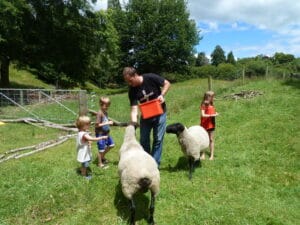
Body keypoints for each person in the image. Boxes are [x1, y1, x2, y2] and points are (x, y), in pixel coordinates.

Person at [123, 67, 171, 166]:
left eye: (130, 81)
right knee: (144, 140)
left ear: (135, 75)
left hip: (160, 113)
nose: (130, 84)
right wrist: (134, 124)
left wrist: (162, 95)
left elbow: (167, 83)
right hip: (146, 116)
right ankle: (146, 162)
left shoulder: (150, 77)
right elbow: (134, 109)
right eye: (128, 82)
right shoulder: (132, 90)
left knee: (157, 139)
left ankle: (154, 164)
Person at [95, 96, 115, 168]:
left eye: (108, 105)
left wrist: (109, 124)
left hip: (106, 133)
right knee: (101, 149)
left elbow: (105, 121)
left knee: (111, 145)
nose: (107, 107)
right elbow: (97, 125)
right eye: (105, 105)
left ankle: (102, 157)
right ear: (101, 104)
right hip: (100, 134)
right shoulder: (99, 113)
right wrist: (107, 123)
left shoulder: (105, 112)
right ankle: (100, 163)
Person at [200, 91, 219, 160]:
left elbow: (212, 111)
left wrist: (215, 113)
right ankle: (203, 154)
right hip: (204, 124)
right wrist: (212, 115)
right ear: (208, 97)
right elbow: (203, 115)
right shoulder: (203, 104)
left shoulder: (212, 104)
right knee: (204, 139)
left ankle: (212, 155)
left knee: (211, 139)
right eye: (212, 97)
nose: (213, 98)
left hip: (211, 124)